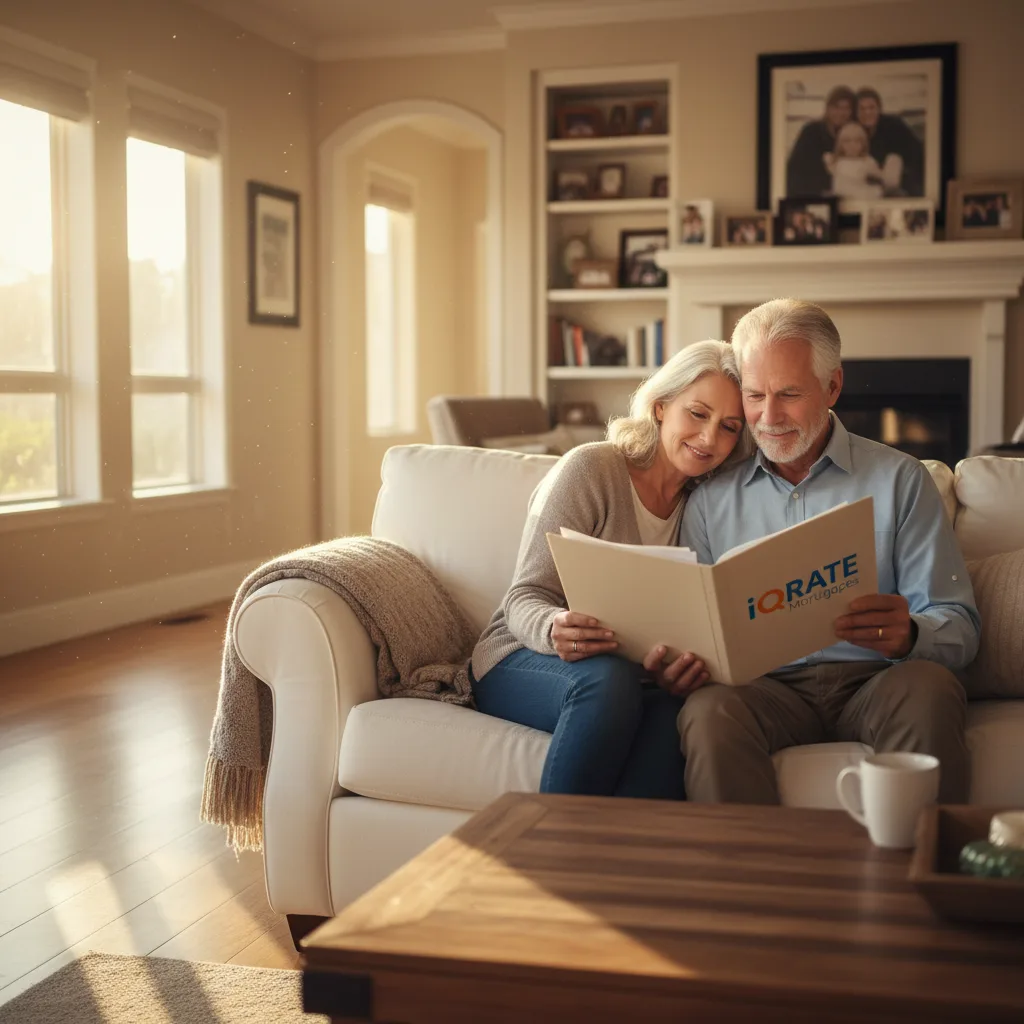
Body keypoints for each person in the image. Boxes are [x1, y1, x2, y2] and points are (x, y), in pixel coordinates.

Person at [677, 299, 980, 805]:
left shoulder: (901, 479)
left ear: (833, 386)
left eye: (789, 394)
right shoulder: (710, 499)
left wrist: (911, 634)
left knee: (930, 688)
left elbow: (961, 626)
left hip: (877, 680)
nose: (768, 417)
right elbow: (697, 628)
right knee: (708, 711)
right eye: (755, 395)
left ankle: (924, 852)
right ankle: (740, 859)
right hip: (764, 689)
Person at [471, 341, 749, 800]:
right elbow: (524, 596)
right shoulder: (592, 470)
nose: (708, 438)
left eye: (729, 427)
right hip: (524, 654)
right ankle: (549, 838)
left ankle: (624, 848)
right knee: (610, 682)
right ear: (660, 407)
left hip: (631, 676)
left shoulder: (707, 506)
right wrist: (554, 626)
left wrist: (676, 671)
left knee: (675, 713)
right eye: (698, 414)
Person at [786, 85, 855, 197]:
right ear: (828, 108)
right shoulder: (811, 131)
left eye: (846, 108)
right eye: (836, 107)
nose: (841, 112)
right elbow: (794, 170)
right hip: (810, 194)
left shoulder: (853, 136)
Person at [855, 88, 924, 196]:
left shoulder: (894, 125)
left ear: (879, 109)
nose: (867, 112)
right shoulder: (852, 130)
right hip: (867, 182)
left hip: (901, 177)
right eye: (862, 109)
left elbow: (917, 151)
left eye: (871, 107)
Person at [823, 121, 884, 199]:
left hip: (859, 196)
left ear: (863, 144)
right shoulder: (836, 161)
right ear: (840, 144)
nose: (852, 145)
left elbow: (880, 176)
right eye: (847, 141)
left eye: (857, 141)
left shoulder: (866, 161)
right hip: (840, 196)